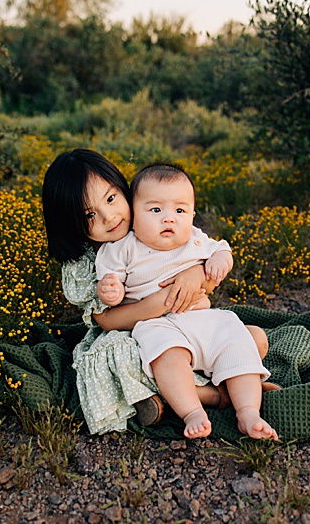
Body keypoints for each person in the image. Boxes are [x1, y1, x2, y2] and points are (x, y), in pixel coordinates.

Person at [41, 149, 268, 435]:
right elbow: (107, 320)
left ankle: (193, 395)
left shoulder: (157, 219)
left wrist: (196, 273)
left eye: (111, 199)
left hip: (190, 323)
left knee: (253, 339)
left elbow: (209, 270)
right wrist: (157, 299)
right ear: (68, 222)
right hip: (135, 332)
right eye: (89, 215)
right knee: (130, 359)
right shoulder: (97, 257)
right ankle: (211, 396)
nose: (109, 217)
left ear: (123, 189)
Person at [93, 163, 278, 441]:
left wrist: (220, 260)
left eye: (180, 211)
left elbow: (222, 249)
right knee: (167, 357)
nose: (169, 218)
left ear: (192, 214)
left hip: (204, 320)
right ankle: (193, 412)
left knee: (237, 343)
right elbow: (110, 282)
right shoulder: (123, 247)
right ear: (134, 213)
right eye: (156, 210)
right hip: (158, 324)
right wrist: (111, 290)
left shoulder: (194, 239)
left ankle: (248, 412)